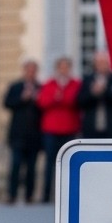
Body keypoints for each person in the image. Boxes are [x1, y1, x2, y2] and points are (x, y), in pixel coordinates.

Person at [35, 55, 80, 202]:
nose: (64, 70)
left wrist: (62, 99)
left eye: (66, 67)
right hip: (51, 129)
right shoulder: (49, 84)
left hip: (70, 128)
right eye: (61, 67)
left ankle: (68, 195)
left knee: (69, 163)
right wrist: (56, 98)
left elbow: (78, 102)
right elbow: (42, 102)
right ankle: (46, 195)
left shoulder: (76, 84)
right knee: (49, 163)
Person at [2, 58, 43, 204]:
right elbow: (7, 103)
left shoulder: (41, 87)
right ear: (24, 71)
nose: (31, 73)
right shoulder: (16, 86)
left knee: (32, 168)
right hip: (18, 134)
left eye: (33, 71)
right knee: (15, 165)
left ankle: (29, 195)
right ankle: (11, 194)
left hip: (35, 134)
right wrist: (22, 98)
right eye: (29, 70)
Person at [78, 52, 112, 139]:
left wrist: (106, 91)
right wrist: (93, 93)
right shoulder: (88, 80)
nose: (101, 65)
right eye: (99, 62)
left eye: (103, 62)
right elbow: (80, 101)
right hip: (91, 130)